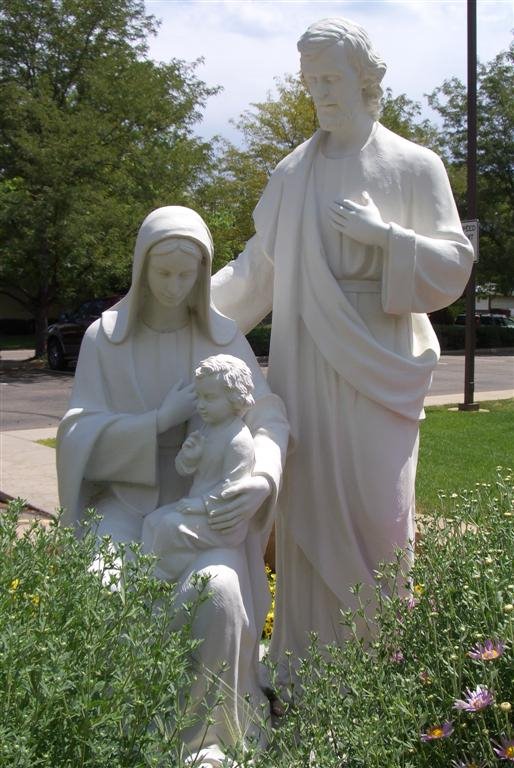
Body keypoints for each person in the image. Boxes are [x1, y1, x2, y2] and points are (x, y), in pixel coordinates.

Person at [211, 18, 474, 686]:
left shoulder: (415, 166)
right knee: (304, 517)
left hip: (380, 365)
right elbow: (255, 275)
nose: (319, 94)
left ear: (364, 79)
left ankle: (373, 683)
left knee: (382, 520)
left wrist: (385, 237)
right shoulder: (294, 174)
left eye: (330, 79)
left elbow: (453, 264)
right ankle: (303, 680)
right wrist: (183, 312)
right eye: (311, 82)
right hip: (306, 365)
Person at [56, 206, 289, 763]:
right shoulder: (104, 340)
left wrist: (261, 474)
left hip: (203, 508)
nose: (175, 286)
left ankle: (207, 739)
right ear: (142, 269)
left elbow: (269, 415)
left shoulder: (222, 337)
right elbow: (76, 433)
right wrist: (158, 422)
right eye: (163, 273)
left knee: (222, 592)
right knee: (102, 586)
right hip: (125, 504)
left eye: (188, 275)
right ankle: (118, 730)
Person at [142, 354, 259, 582]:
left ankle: (158, 582)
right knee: (152, 521)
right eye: (200, 397)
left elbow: (232, 490)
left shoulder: (238, 441)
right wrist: (188, 458)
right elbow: (185, 471)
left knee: (168, 526)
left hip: (221, 522)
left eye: (210, 398)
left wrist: (200, 505)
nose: (201, 405)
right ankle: (149, 577)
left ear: (235, 398)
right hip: (197, 510)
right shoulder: (209, 428)